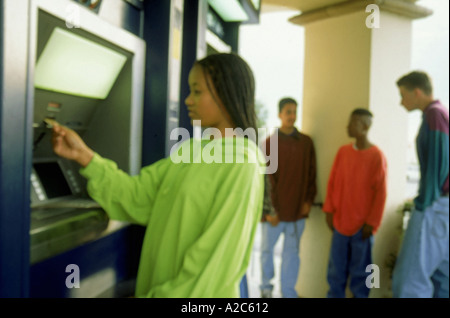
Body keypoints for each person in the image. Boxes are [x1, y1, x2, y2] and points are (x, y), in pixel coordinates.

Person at [50, 53, 266, 298]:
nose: (187, 100)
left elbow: (215, 263)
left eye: (197, 91)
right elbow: (137, 197)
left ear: (226, 94)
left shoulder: (241, 163)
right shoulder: (191, 151)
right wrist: (84, 155)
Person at [392, 71, 449, 298]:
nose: (401, 101)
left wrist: (425, 202)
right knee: (442, 279)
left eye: (403, 95)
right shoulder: (441, 113)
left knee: (408, 282)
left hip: (434, 207)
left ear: (417, 92)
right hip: (443, 207)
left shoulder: (434, 115)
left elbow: (438, 161)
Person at [323, 108, 387, 298]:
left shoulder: (377, 156)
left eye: (353, 123)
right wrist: (329, 211)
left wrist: (372, 223)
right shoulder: (343, 152)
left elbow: (381, 194)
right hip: (340, 224)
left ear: (365, 126)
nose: (348, 126)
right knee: (335, 272)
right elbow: (332, 183)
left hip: (363, 229)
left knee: (364, 273)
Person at [260, 97, 317, 298]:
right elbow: (264, 181)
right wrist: (269, 211)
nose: (292, 116)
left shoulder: (306, 143)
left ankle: (288, 293)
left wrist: (308, 201)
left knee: (291, 255)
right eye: (288, 112)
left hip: (296, 213)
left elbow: (312, 174)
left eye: (294, 112)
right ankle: (266, 290)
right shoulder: (269, 144)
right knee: (266, 253)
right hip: (273, 215)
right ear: (279, 115)